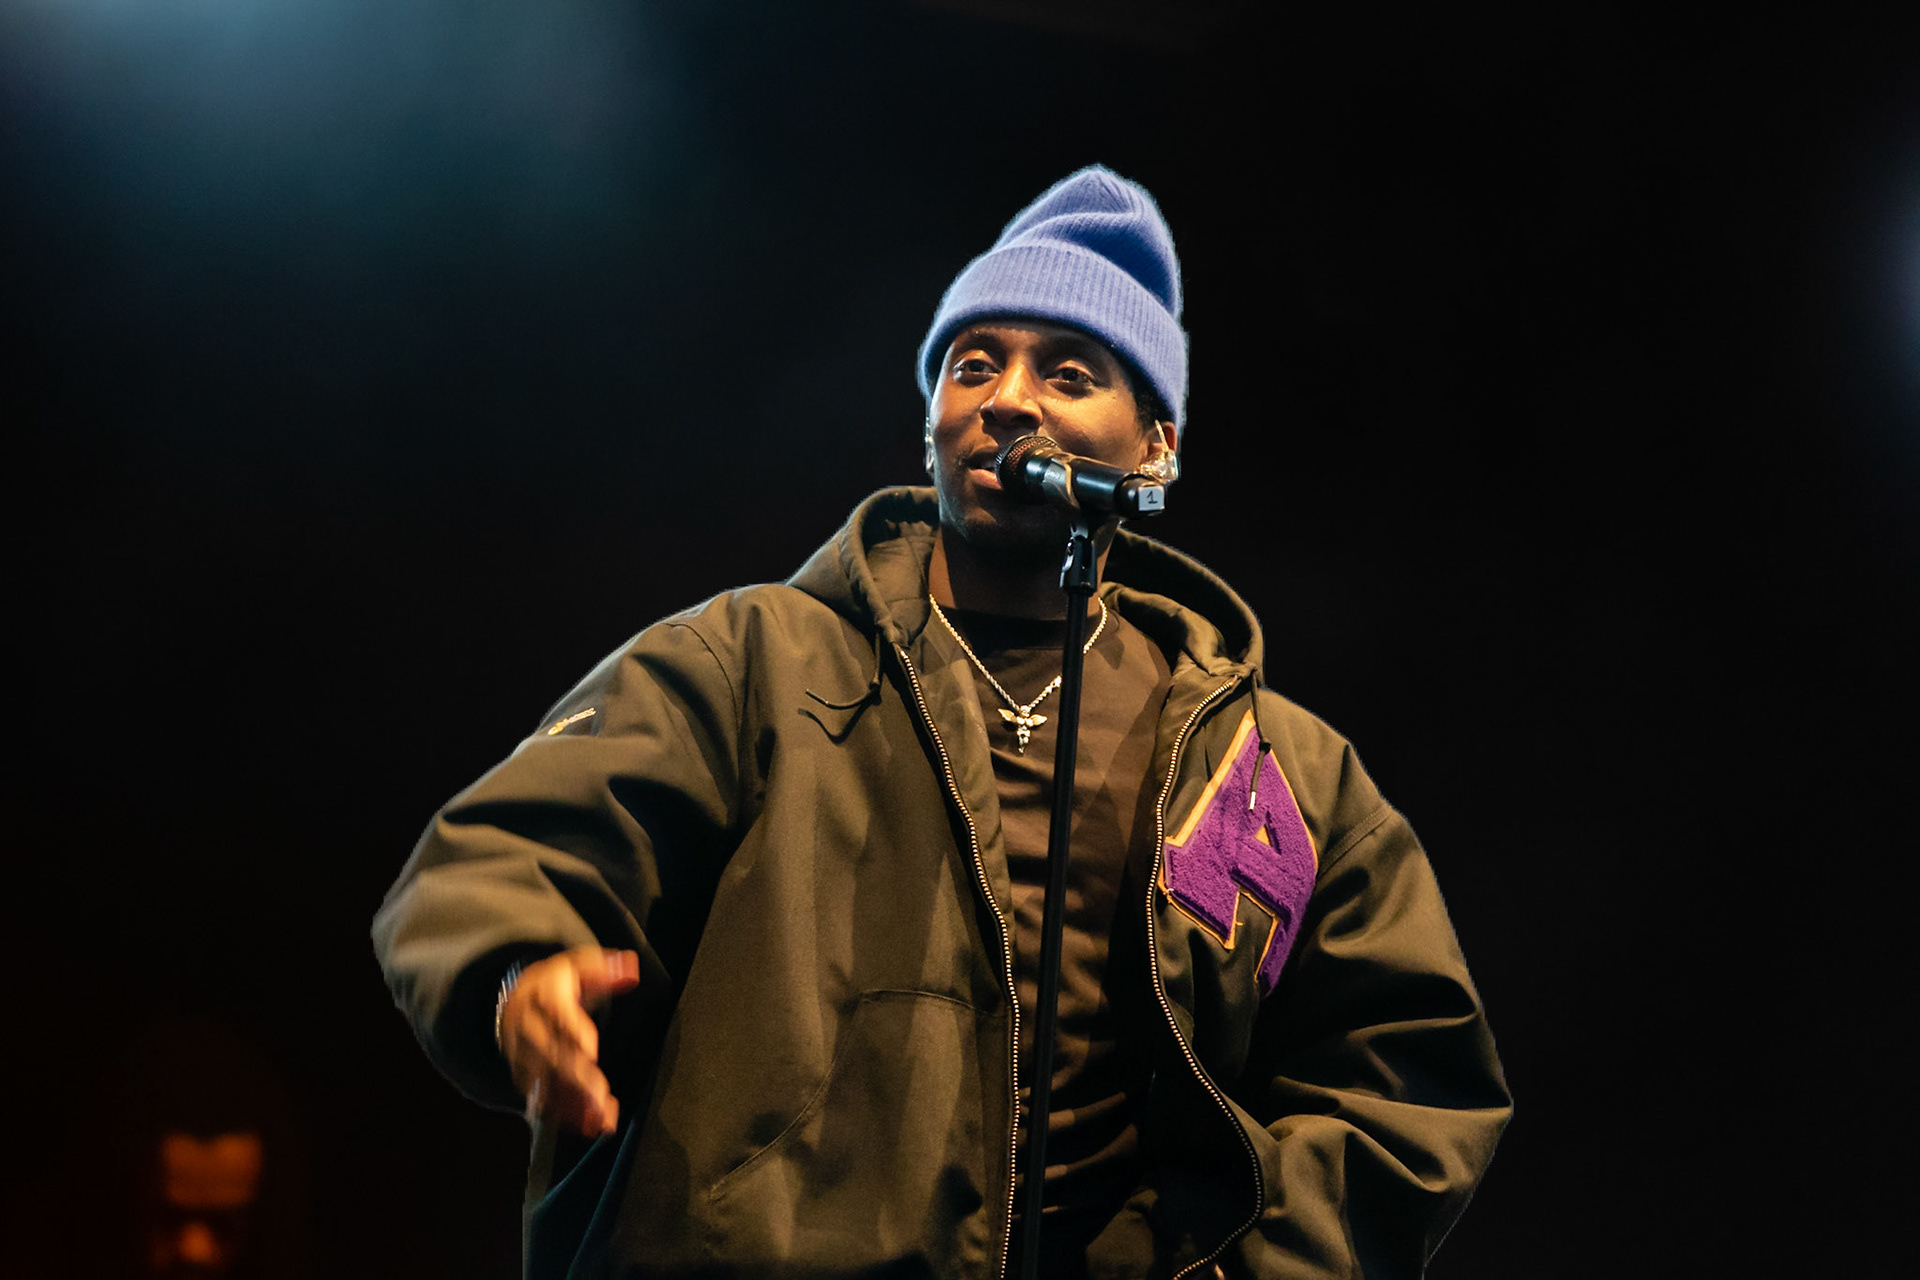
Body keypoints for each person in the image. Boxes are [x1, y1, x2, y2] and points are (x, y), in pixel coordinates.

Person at [373, 165, 1510, 1279]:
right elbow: (502, 854)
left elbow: (1408, 1084)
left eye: (1068, 371)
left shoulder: (1278, 774)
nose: (1006, 398)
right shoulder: (753, 658)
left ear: (1155, 446)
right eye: (974, 363)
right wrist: (520, 973)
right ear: (931, 419)